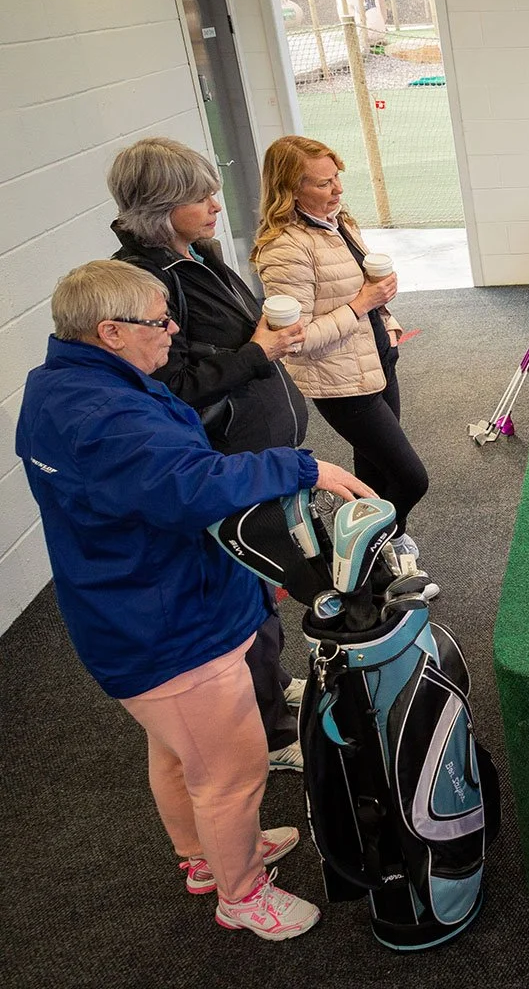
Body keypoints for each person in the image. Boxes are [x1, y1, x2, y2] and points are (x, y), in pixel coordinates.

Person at [16, 259, 374, 940]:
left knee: (179, 752)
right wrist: (302, 465)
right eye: (160, 321)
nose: (174, 331)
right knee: (232, 772)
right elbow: (191, 484)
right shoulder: (106, 417)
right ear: (110, 331)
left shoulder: (59, 384)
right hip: (168, 621)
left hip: (133, 605)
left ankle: (206, 857)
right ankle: (242, 895)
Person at [109, 137, 312, 773]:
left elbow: (227, 348)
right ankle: (269, 734)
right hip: (227, 461)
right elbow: (169, 383)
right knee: (243, 586)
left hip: (257, 448)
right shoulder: (146, 284)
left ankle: (271, 687)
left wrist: (262, 345)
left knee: (264, 583)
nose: (216, 205)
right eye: (200, 197)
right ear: (159, 207)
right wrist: (258, 353)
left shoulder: (196, 255)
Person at [252, 135, 430, 544]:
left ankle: (375, 552)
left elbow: (360, 290)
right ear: (291, 189)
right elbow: (295, 339)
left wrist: (386, 317)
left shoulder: (338, 222)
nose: (338, 189)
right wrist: (363, 303)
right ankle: (377, 543)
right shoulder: (284, 249)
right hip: (341, 382)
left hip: (377, 360)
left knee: (374, 471)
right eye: (323, 183)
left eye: (337, 177)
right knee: (410, 478)